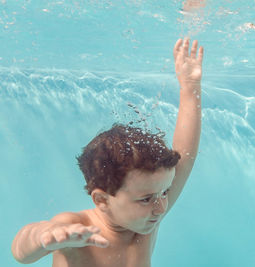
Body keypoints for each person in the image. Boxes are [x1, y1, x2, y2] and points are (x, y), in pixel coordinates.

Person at [11, 37, 204, 267]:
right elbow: (20, 252)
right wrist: (44, 238)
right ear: (102, 200)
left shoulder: (144, 222)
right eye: (146, 199)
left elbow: (185, 157)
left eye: (164, 193)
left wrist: (190, 87)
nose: (162, 206)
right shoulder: (75, 229)